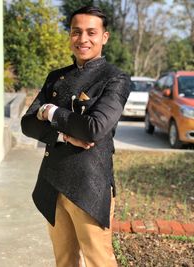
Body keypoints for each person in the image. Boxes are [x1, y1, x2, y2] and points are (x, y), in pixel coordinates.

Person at [21, 6, 130, 267]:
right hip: (52, 181)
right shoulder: (55, 77)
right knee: (64, 261)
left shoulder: (115, 79)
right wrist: (63, 134)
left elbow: (94, 128)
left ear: (105, 37)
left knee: (99, 261)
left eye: (91, 32)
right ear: (70, 35)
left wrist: (50, 110)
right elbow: (27, 124)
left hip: (89, 185)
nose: (83, 39)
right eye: (76, 32)